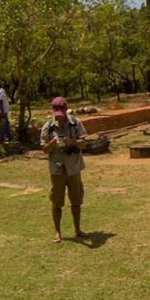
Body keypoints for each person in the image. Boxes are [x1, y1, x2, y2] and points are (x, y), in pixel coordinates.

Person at [40, 97, 88, 243]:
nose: (59, 119)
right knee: (56, 201)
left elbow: (83, 144)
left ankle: (78, 229)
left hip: (73, 168)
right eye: (57, 115)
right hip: (57, 169)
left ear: (66, 110)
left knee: (76, 200)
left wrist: (71, 141)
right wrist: (52, 143)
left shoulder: (76, 123)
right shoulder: (48, 126)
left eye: (62, 114)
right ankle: (57, 232)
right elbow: (44, 149)